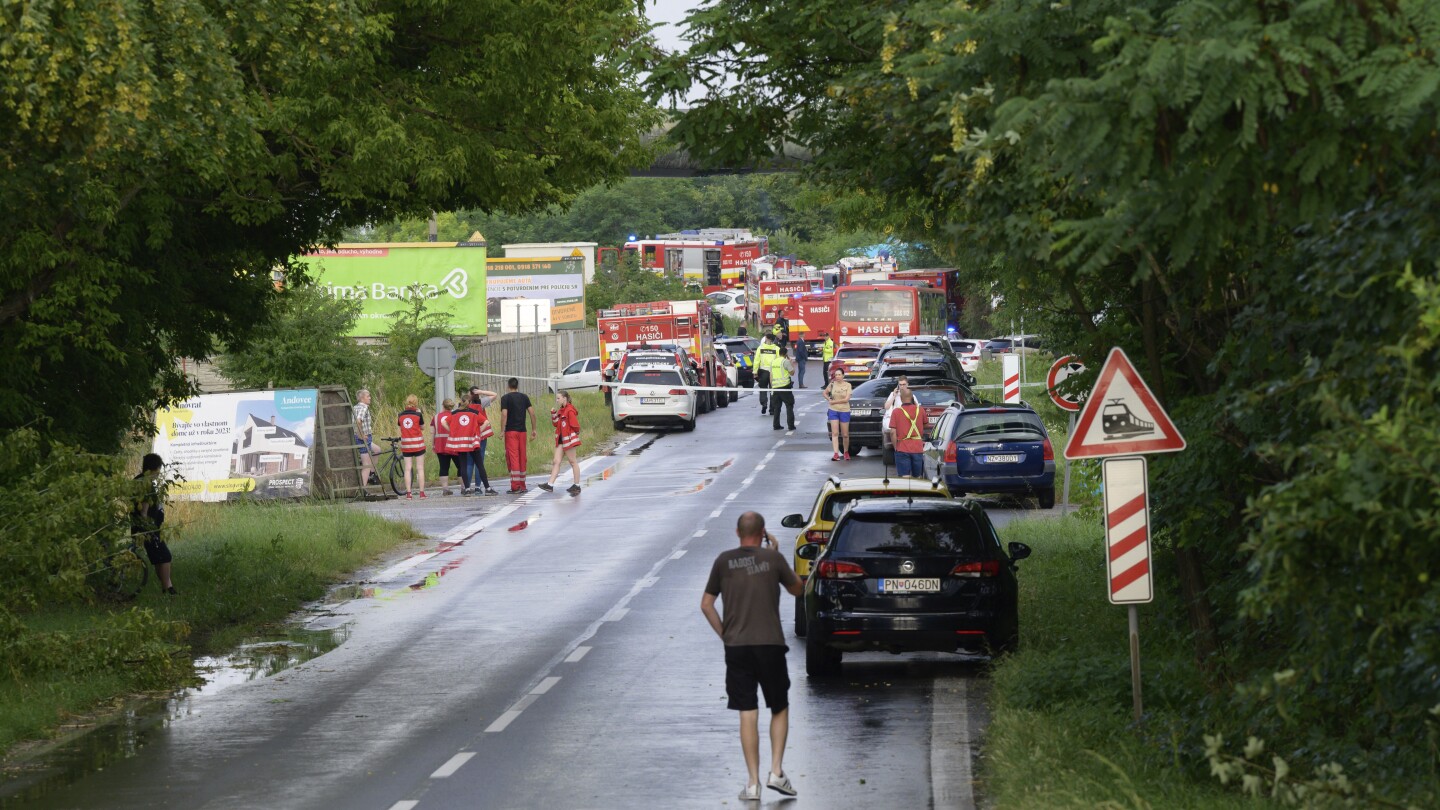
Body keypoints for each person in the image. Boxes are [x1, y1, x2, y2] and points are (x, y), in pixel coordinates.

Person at [701, 512, 804, 802]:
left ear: (737, 532)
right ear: (762, 533)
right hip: (770, 644)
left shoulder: (723, 561)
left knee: (747, 711)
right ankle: (776, 772)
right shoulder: (773, 560)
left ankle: (752, 784)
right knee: (779, 706)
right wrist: (775, 555)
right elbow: (798, 589)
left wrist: (726, 635)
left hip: (737, 648)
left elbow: (706, 605)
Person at [131, 453, 176, 595]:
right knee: (165, 556)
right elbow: (143, 512)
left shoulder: (137, 480)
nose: (159, 473)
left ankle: (168, 589)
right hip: (148, 529)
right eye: (158, 469)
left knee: (159, 558)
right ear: (154, 468)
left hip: (143, 527)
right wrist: (148, 530)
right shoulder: (146, 484)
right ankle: (168, 589)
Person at [538, 391, 583, 495]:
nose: (557, 400)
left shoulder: (569, 410)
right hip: (561, 440)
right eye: (557, 398)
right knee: (556, 461)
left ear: (564, 398)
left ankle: (577, 485)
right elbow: (556, 424)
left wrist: (574, 434)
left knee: (573, 462)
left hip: (568, 440)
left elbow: (575, 425)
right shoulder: (561, 410)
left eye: (558, 398)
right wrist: (553, 414)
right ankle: (550, 485)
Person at [500, 378, 537, 493]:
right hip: (523, 431)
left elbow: (504, 414)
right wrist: (534, 429)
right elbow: (532, 413)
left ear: (508, 386)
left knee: (513, 458)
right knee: (522, 457)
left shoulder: (505, 398)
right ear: (517, 386)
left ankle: (515, 486)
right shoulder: (524, 397)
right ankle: (522, 485)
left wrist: (502, 430)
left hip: (511, 431)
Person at [469, 385, 501, 495]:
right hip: (481, 434)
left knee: (469, 462)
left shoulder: (466, 405)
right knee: (479, 462)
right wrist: (481, 391)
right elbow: (495, 395)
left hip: (469, 436)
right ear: (477, 393)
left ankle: (467, 488)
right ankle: (478, 487)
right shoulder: (481, 402)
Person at [889, 390, 928, 477]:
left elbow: (892, 432)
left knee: (904, 478)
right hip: (918, 448)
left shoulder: (896, 412)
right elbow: (925, 424)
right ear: (912, 398)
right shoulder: (920, 410)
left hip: (902, 447)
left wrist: (896, 447)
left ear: (901, 399)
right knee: (917, 478)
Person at [446, 396, 480, 494]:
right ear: (470, 402)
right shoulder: (473, 412)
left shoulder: (455, 413)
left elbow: (444, 422)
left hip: (460, 443)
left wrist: (452, 432)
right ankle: (482, 487)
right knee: (478, 464)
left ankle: (467, 488)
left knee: (463, 466)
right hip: (471, 442)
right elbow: (485, 422)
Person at [397, 395, 427, 499]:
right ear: (416, 403)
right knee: (420, 468)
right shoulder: (418, 414)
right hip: (418, 444)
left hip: (406, 445)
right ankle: (422, 493)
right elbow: (422, 427)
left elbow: (401, 427)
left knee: (407, 468)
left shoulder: (400, 415)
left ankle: (408, 493)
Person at [823, 367, 852, 461]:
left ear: (843, 375)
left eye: (839, 375)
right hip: (833, 410)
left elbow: (846, 399)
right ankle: (836, 453)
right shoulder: (832, 384)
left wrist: (834, 402)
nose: (838, 377)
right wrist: (829, 399)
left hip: (844, 410)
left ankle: (846, 452)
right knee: (835, 433)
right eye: (836, 375)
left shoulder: (848, 385)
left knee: (845, 434)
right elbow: (824, 393)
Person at [353, 388, 380, 488]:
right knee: (366, 464)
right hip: (363, 437)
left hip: (362, 436)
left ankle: (372, 474)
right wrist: (361, 435)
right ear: (362, 398)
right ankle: (363, 489)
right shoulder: (364, 407)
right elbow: (358, 421)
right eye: (368, 396)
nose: (370, 398)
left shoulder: (356, 407)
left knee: (377, 450)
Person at [432, 397, 458, 495]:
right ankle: (464, 487)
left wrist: (433, 445)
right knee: (460, 466)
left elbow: (432, 432)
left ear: (443, 406)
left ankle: (445, 489)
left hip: (440, 444)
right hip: (453, 444)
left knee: (443, 467)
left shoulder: (436, 417)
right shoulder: (455, 415)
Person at [770, 345, 796, 432]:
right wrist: (791, 363)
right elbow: (792, 373)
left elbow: (771, 375)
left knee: (777, 407)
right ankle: (791, 425)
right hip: (784, 387)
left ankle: (776, 425)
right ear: (786, 354)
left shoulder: (773, 362)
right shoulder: (785, 361)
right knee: (789, 405)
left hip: (775, 387)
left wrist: (772, 387)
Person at [754, 335, 779, 415]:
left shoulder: (760, 348)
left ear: (767, 339)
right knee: (773, 391)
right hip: (773, 372)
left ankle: (764, 404)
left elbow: (756, 361)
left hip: (763, 372)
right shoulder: (776, 349)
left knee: (763, 389)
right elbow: (779, 361)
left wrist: (755, 372)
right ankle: (772, 409)